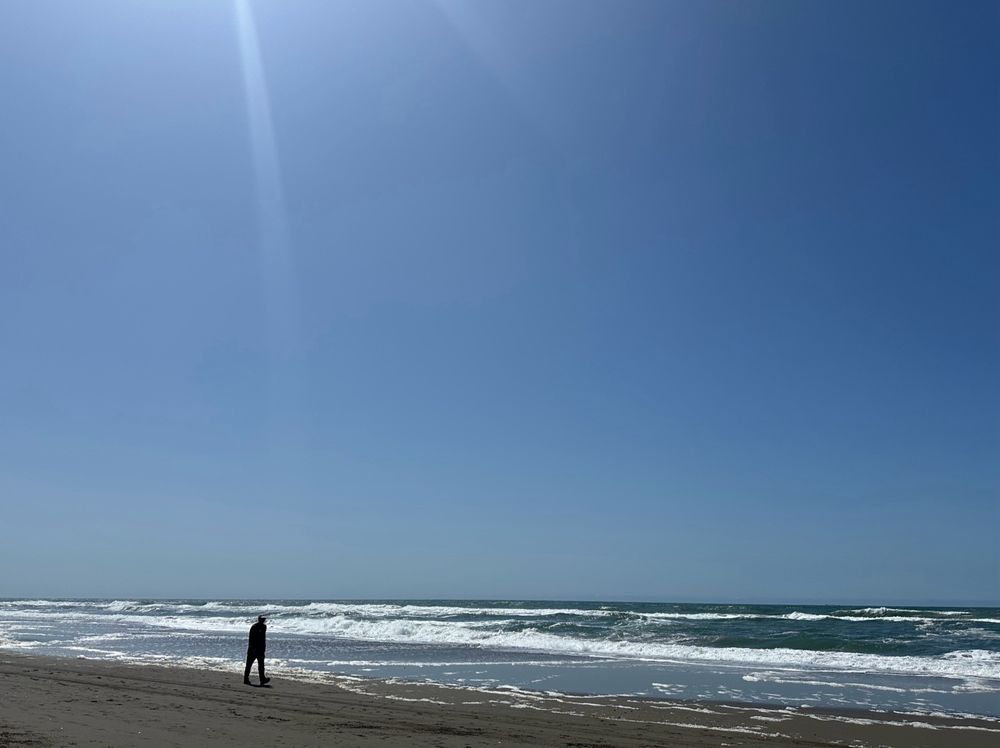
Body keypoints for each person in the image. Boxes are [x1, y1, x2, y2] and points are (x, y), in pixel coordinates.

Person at [243, 615, 270, 685]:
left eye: (264, 619)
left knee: (261, 665)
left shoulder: (264, 627)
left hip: (261, 649)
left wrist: (263, 648)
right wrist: (253, 648)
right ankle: (246, 678)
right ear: (258, 619)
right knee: (249, 665)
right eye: (262, 619)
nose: (263, 620)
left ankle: (262, 679)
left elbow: (262, 639)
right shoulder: (254, 627)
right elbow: (251, 639)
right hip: (253, 649)